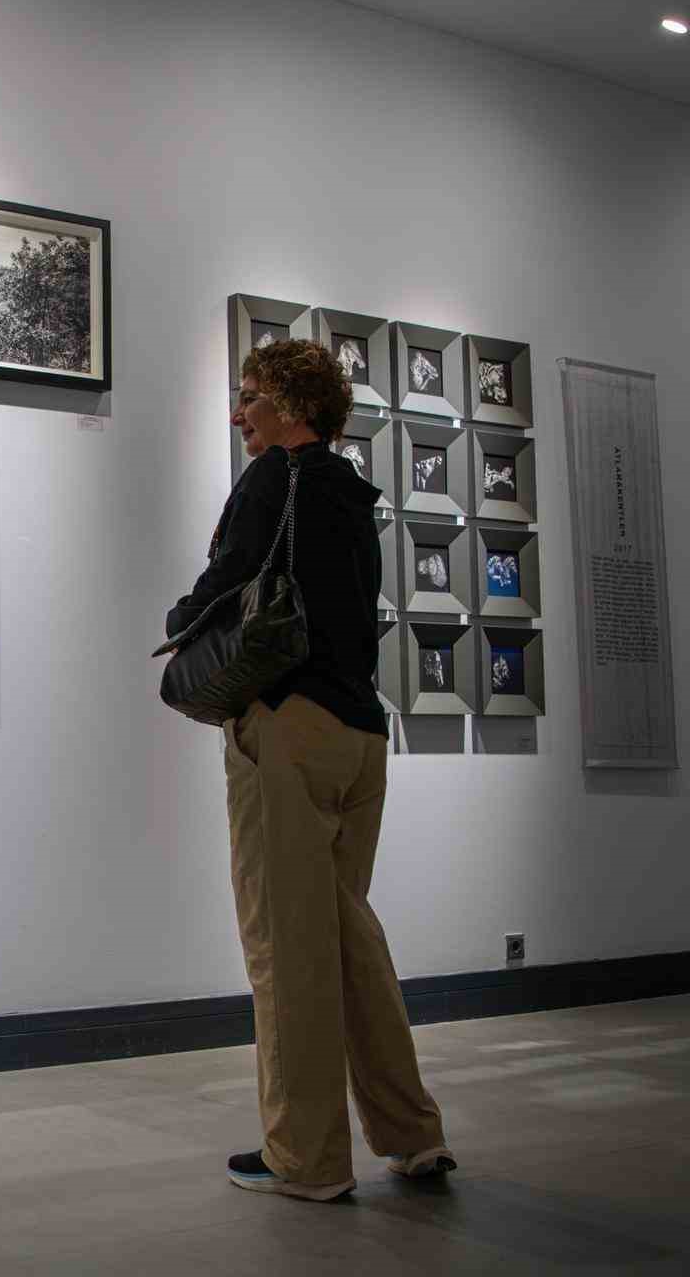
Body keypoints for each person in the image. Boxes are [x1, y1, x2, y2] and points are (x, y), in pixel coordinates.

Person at [165, 337, 455, 1202]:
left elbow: (225, 584)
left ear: (289, 406)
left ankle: (306, 1159)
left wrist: (179, 618)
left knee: (284, 948)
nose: (237, 411)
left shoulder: (272, 479)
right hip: (360, 734)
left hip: (286, 728)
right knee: (347, 936)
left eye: (249, 395)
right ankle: (411, 1134)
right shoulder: (353, 496)